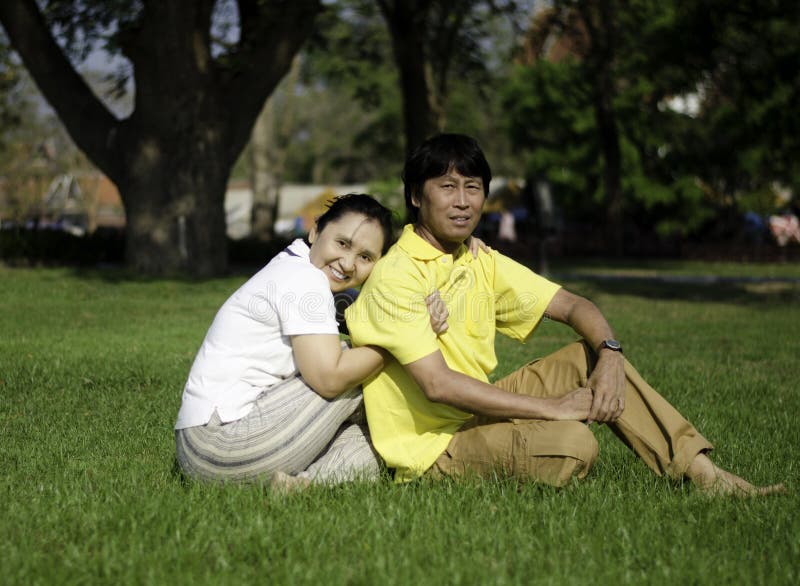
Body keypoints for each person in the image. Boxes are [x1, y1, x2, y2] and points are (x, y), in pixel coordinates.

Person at [345, 134, 785, 496]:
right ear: (416, 197)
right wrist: (551, 409)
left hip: (474, 413)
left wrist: (611, 355)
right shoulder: (396, 275)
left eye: (473, 187)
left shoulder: (477, 259)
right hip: (433, 449)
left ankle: (706, 477)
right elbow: (438, 385)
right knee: (574, 444)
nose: (462, 202)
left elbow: (575, 305)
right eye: (447, 186)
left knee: (589, 356)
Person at [174, 193, 461, 489]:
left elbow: (366, 313)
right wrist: (407, 337)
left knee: (383, 434)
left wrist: (463, 247)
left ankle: (303, 486)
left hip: (207, 456)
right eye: (343, 243)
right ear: (315, 230)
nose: (348, 263)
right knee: (367, 372)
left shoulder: (299, 268)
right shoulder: (303, 279)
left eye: (366, 257)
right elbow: (330, 379)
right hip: (220, 444)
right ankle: (455, 435)